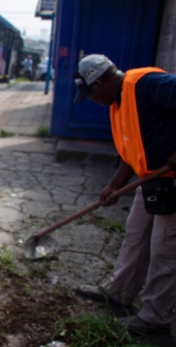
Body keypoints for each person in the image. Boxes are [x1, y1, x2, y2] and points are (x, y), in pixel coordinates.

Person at [74, 54, 176, 335]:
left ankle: (156, 319)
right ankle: (119, 292)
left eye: (90, 94)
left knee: (165, 251)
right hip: (152, 180)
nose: (91, 100)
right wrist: (115, 185)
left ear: (102, 82)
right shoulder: (118, 101)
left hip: (172, 182)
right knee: (136, 235)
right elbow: (131, 151)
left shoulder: (147, 84)